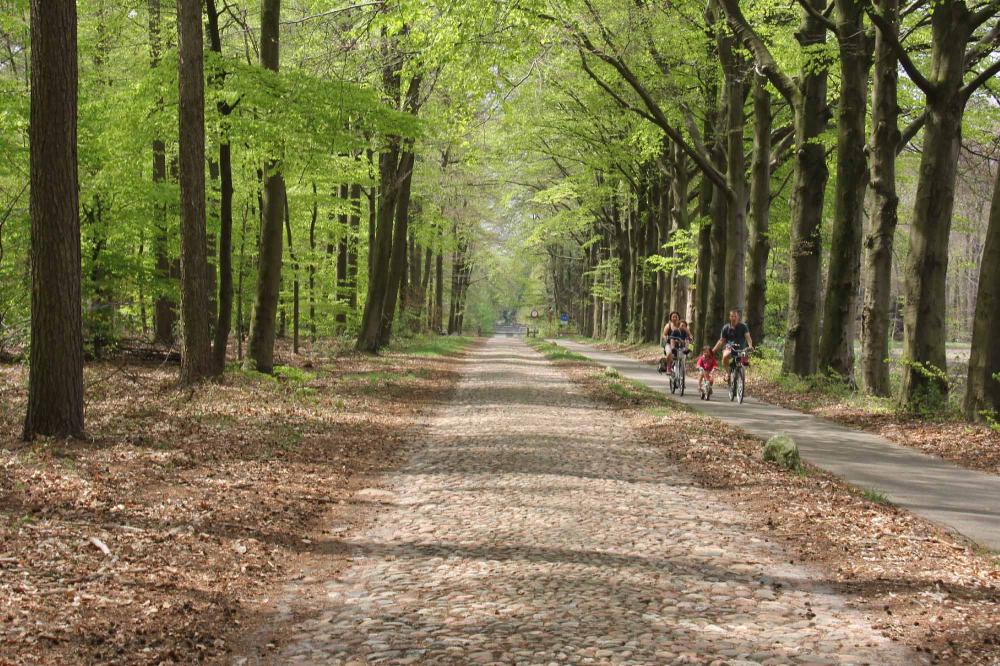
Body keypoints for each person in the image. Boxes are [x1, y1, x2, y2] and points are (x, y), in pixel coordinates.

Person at [712, 309, 754, 384]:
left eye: (735, 316)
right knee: (725, 356)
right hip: (729, 347)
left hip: (741, 348)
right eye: (732, 316)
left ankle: (741, 373)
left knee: (745, 360)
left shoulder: (743, 326)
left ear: (738, 317)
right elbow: (721, 341)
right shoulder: (726, 328)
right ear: (730, 317)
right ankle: (728, 373)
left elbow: (748, 337)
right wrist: (713, 350)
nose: (734, 318)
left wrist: (750, 346)